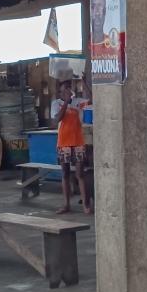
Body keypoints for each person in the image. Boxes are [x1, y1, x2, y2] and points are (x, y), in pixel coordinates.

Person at [51, 80, 91, 214]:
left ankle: (86, 205)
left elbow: (92, 100)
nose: (68, 91)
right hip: (63, 143)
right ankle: (66, 204)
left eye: (69, 88)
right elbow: (57, 119)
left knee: (80, 173)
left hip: (78, 142)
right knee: (65, 173)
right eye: (65, 89)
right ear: (60, 92)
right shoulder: (56, 104)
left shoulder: (78, 102)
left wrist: (84, 83)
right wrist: (66, 103)